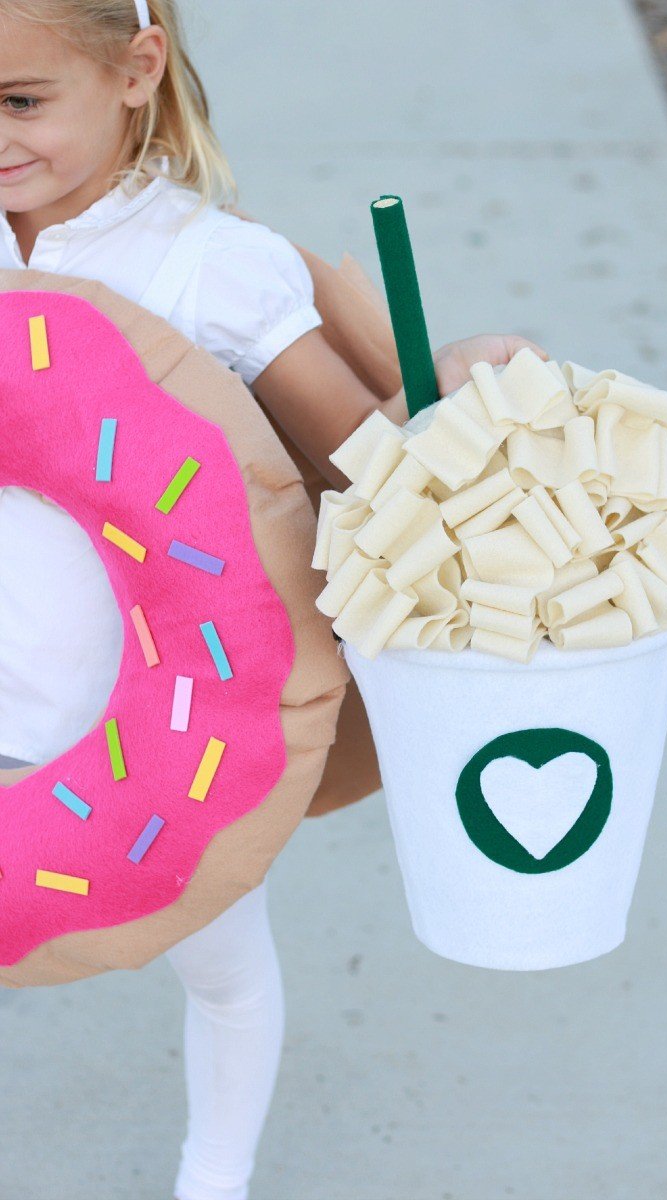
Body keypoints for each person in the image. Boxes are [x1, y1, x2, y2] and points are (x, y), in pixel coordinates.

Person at [0, 3, 547, 1198]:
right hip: (11, 688)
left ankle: (215, 1171)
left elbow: (371, 465)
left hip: (155, 734)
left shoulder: (206, 267)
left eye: (22, 101)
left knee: (220, 968)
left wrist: (454, 393)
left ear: (137, 69)